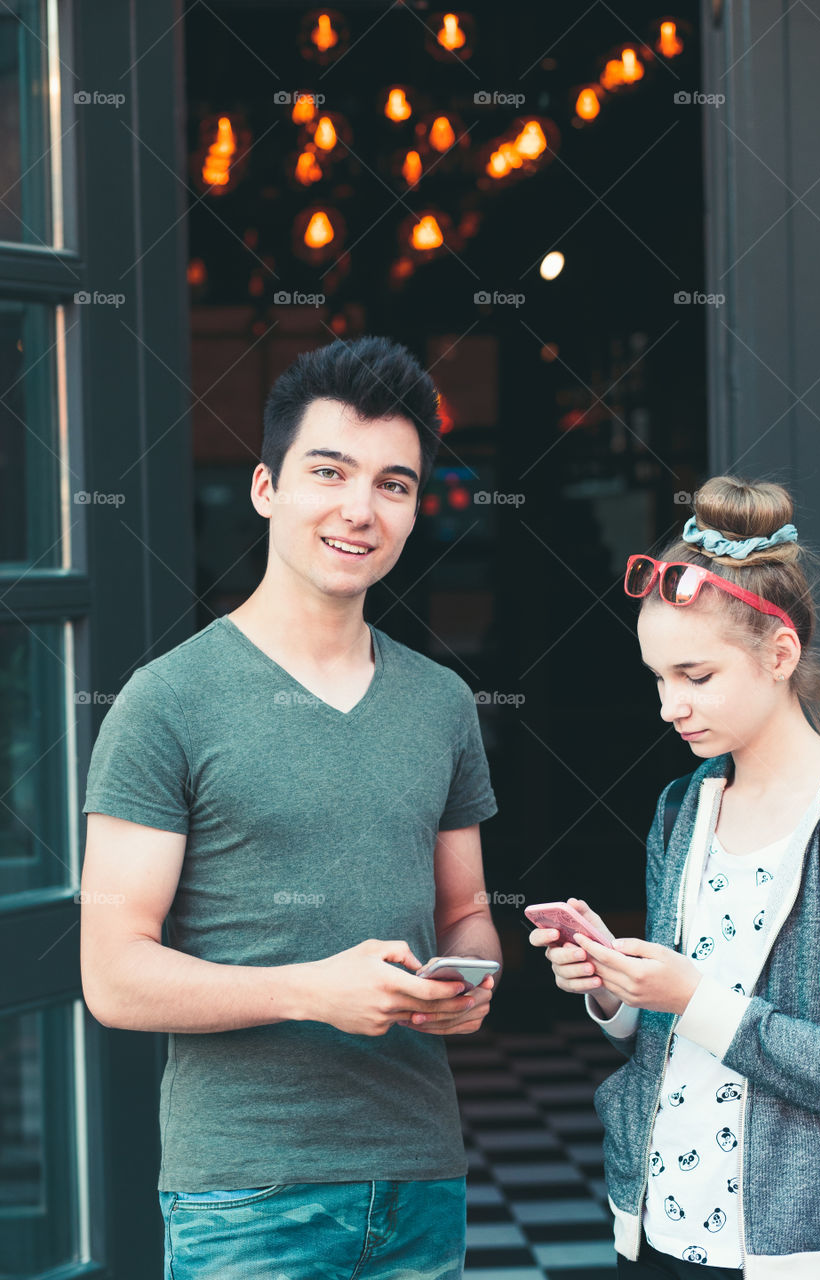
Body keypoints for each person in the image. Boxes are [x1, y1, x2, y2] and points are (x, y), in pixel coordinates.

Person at [80, 336, 501, 1280]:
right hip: (246, 1194)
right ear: (267, 487)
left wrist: (471, 979)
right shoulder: (167, 700)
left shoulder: (440, 701)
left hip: (420, 1177)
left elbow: (466, 910)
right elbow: (112, 975)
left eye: (394, 484)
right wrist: (312, 990)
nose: (360, 509)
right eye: (329, 472)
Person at [529, 476, 820, 1278]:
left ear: (779, 655)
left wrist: (690, 996)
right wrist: (612, 984)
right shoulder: (682, 808)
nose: (670, 705)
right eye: (657, 678)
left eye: (695, 676)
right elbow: (664, 1022)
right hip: (657, 1224)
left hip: (793, 1248)